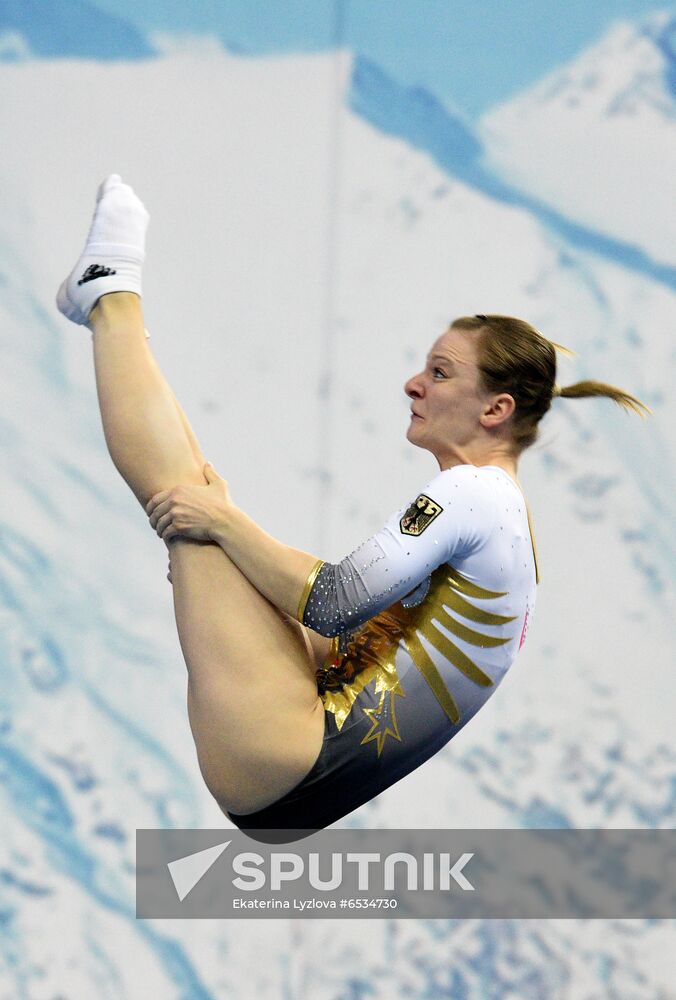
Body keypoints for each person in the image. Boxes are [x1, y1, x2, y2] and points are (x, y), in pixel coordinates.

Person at [56, 175, 650, 839]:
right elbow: (358, 643)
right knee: (203, 510)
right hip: (292, 787)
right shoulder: (505, 524)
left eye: (441, 373)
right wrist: (228, 546)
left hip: (287, 753)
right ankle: (107, 302)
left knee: (188, 505)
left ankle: (109, 292)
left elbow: (332, 603)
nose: (414, 384)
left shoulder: (475, 494)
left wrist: (224, 525)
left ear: (495, 409)